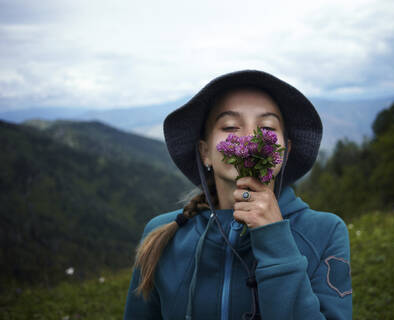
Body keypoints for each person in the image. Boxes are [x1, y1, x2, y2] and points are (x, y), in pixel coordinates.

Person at [123, 70, 352, 319]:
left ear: (285, 151)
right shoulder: (163, 234)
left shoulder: (325, 231)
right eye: (230, 126)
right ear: (205, 152)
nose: (249, 139)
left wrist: (274, 237)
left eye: (266, 127)